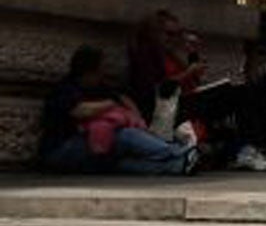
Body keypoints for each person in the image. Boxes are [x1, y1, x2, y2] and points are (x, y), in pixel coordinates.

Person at [126, 9, 266, 172]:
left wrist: (191, 56)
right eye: (169, 34)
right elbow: (159, 87)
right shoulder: (146, 54)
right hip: (166, 111)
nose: (173, 39)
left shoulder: (170, 54)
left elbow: (193, 82)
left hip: (183, 102)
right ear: (154, 33)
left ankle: (250, 147)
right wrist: (189, 72)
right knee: (238, 95)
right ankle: (247, 148)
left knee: (243, 93)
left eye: (177, 34)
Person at [40, 45, 197, 175]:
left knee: (123, 164)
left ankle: (179, 165)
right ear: (89, 72)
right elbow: (79, 110)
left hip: (95, 152)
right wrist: (109, 105)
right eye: (100, 71)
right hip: (62, 150)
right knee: (123, 135)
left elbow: (122, 99)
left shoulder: (99, 87)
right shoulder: (65, 89)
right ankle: (178, 152)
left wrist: (136, 119)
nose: (103, 75)